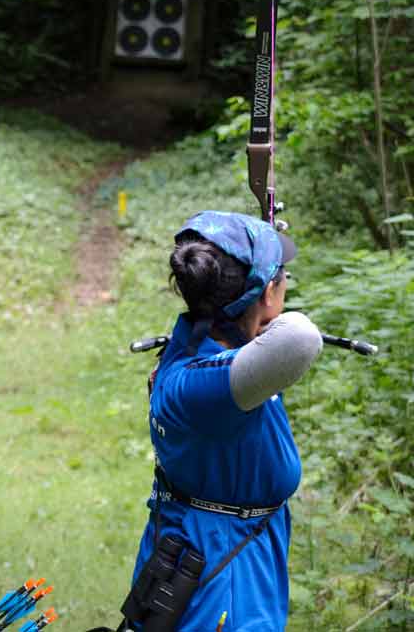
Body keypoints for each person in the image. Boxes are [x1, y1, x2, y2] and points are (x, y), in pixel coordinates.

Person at [127, 210, 323, 632]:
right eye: (282, 278)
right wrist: (268, 320)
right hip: (219, 574)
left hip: (222, 553)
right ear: (269, 294)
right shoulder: (209, 385)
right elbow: (300, 337)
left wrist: (257, 315)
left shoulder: (208, 353)